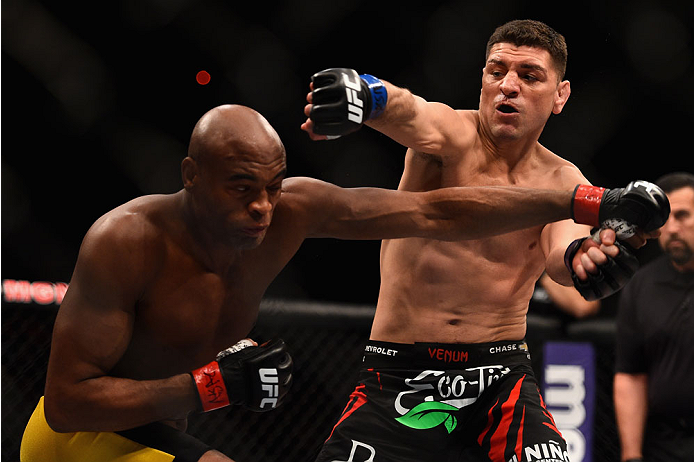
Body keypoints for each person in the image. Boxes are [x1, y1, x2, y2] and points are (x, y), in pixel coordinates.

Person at [18, 104, 646, 462]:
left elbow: (438, 213)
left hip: (159, 435)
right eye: (241, 188)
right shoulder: (126, 240)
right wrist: (207, 386)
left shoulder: (291, 212)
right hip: (69, 440)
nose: (261, 208)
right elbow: (68, 402)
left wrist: (588, 201)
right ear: (190, 176)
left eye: (272, 186)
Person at [301, 19, 669, 462]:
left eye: (529, 76)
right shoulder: (452, 137)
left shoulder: (562, 179)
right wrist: (368, 94)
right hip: (399, 374)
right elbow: (411, 111)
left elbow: (562, 253)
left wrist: (587, 260)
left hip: (500, 378)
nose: (508, 86)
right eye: (497, 72)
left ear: (560, 96)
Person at [614, 172, 694, 462]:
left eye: (682, 216)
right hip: (664, 444)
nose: (672, 228)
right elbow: (631, 374)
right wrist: (631, 455)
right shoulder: (642, 284)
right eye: (665, 218)